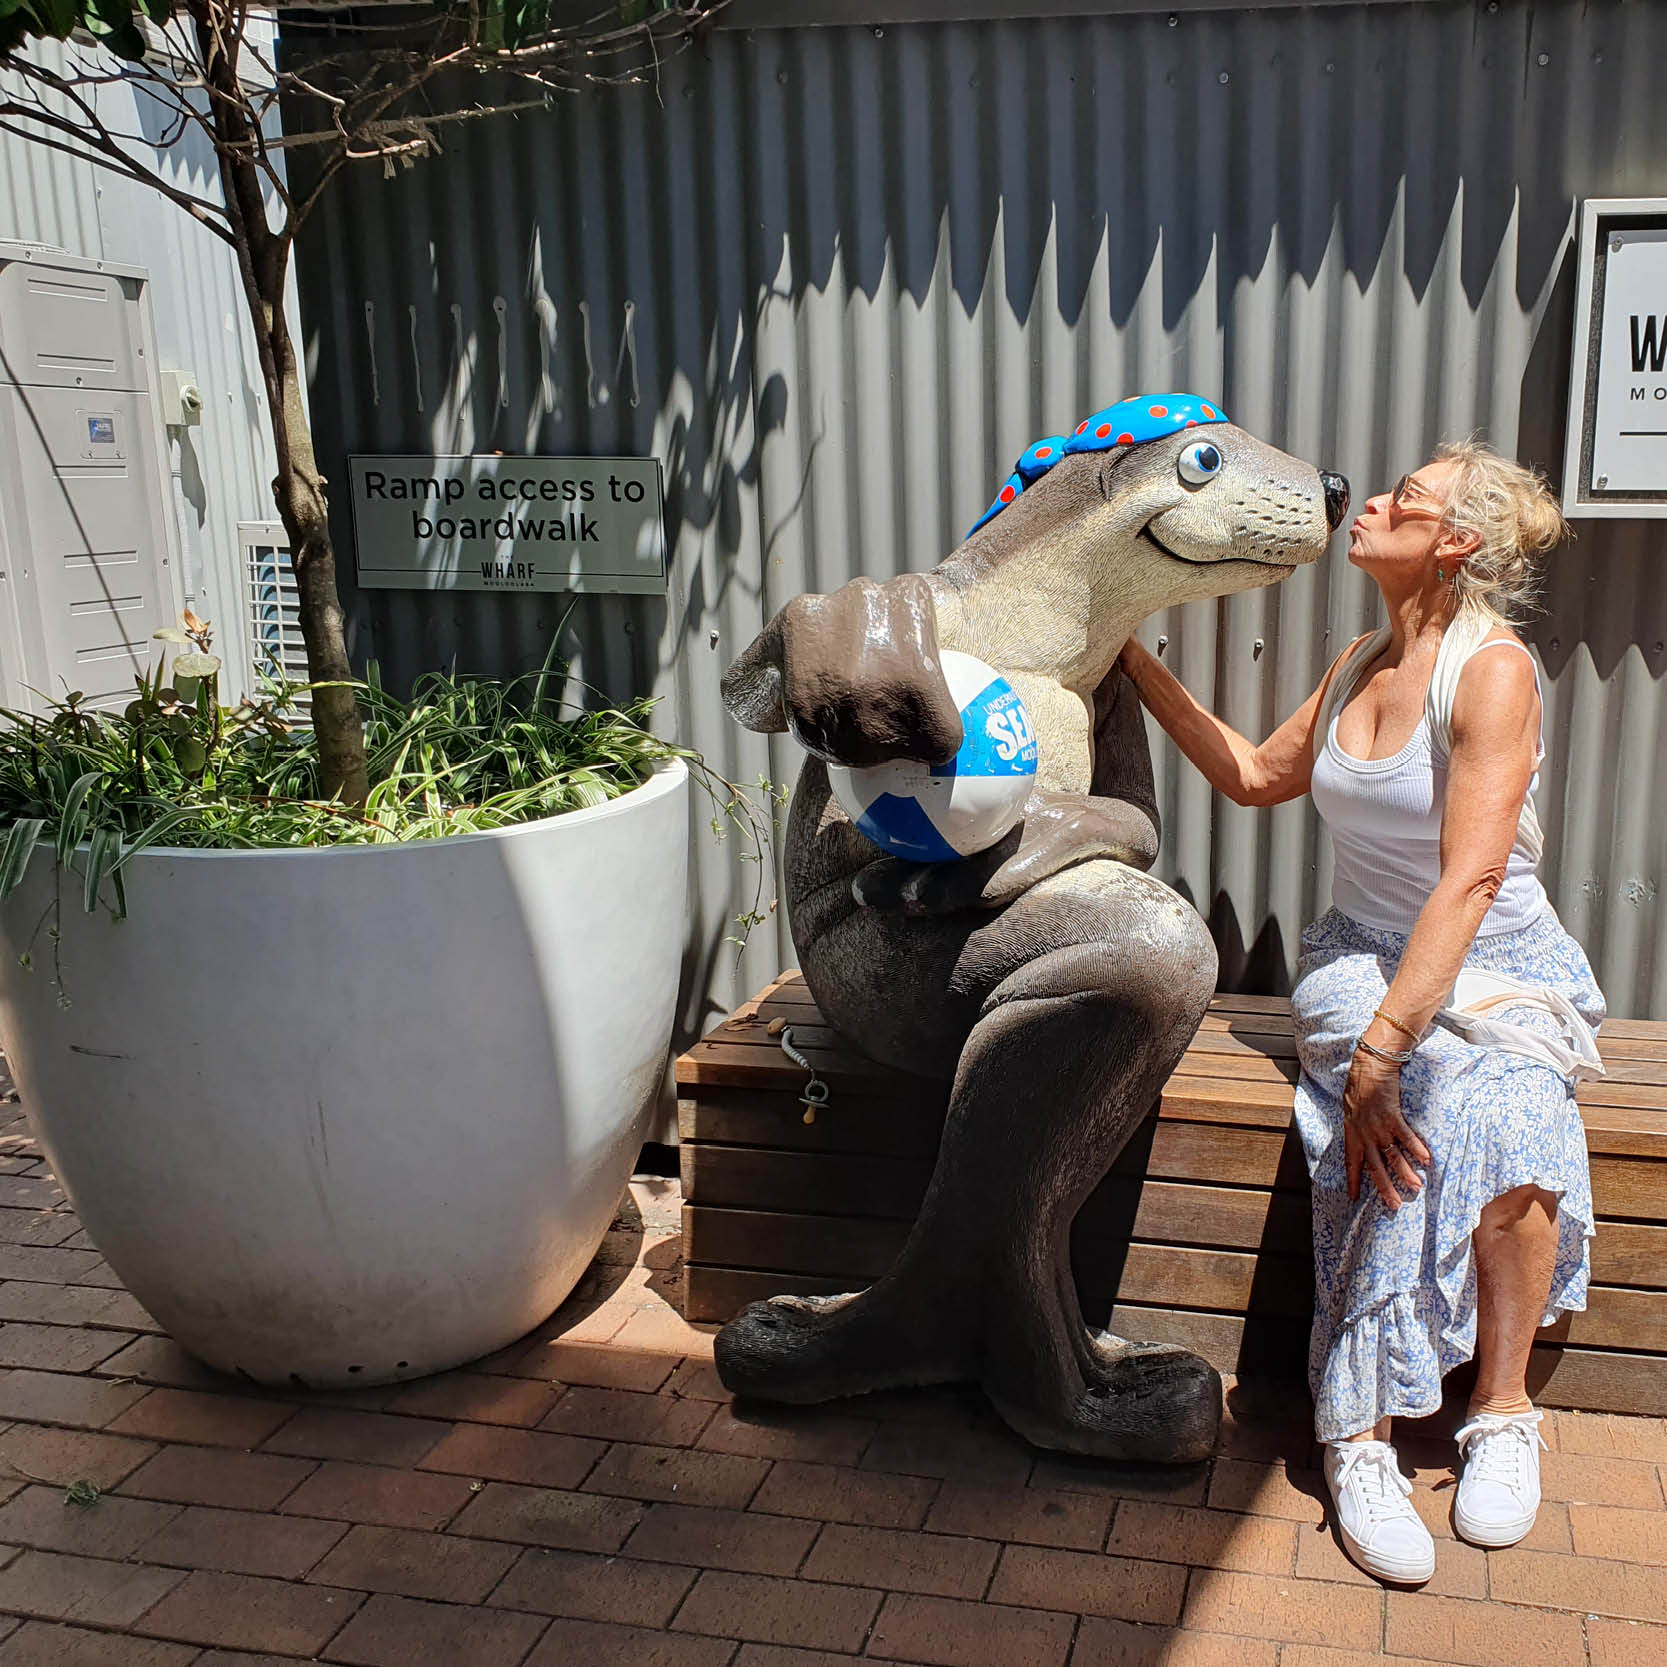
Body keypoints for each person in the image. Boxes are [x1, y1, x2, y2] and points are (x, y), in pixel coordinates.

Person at [1116, 440, 1603, 1586]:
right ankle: (1362, 1432)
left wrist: (1387, 1045)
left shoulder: (1490, 673)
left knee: (1505, 1097)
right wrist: (1127, 652)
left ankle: (1496, 1410)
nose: (1369, 500)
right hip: (1357, 958)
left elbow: (1470, 879)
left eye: (1404, 498)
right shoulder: (1353, 661)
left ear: (1454, 543)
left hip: (1497, 955)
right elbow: (1247, 772)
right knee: (1420, 1099)